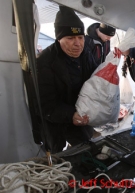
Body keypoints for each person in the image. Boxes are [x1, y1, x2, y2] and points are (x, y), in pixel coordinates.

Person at [36, 6, 98, 153]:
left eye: (80, 37)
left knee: (86, 151)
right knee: (55, 154)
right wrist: (71, 115)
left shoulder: (86, 55)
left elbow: (96, 81)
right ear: (59, 38)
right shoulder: (45, 62)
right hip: (54, 119)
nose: (78, 44)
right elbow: (45, 104)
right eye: (70, 38)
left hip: (81, 114)